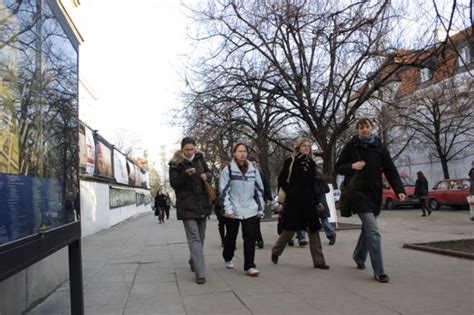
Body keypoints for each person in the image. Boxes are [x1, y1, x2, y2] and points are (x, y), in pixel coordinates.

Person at [335, 118, 406, 283]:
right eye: (361, 128)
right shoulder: (351, 147)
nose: (364, 130)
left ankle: (359, 256)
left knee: (368, 228)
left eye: (366, 127)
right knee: (373, 231)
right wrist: (352, 166)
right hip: (357, 194)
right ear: (357, 131)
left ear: (372, 128)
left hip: (374, 194)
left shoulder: (380, 147)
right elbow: (338, 167)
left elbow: (390, 170)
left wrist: (400, 190)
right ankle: (379, 271)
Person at [271, 138, 330, 270]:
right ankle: (276, 251)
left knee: (314, 229)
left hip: (309, 201)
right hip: (294, 202)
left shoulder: (312, 163)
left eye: (309, 146)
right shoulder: (291, 162)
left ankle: (319, 260)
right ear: (298, 147)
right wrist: (290, 191)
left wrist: (317, 202)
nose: (307, 148)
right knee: (290, 229)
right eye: (304, 146)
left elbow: (312, 185)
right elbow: (281, 179)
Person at [169, 137, 213, 285]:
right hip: (186, 206)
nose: (189, 152)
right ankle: (200, 274)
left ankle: (193, 259)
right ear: (182, 149)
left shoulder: (200, 159)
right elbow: (174, 184)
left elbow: (210, 174)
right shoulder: (175, 164)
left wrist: (207, 176)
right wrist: (186, 174)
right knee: (194, 238)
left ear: (195, 148)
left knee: (201, 237)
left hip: (202, 205)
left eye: (191, 149)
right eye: (186, 149)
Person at [219, 143, 264, 277]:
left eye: (244, 151)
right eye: (239, 151)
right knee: (231, 238)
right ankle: (228, 256)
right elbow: (223, 191)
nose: (243, 153)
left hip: (250, 209)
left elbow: (259, 190)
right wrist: (228, 210)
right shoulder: (228, 170)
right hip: (233, 209)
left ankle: (249, 266)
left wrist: (260, 209)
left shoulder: (253, 170)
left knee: (250, 237)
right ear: (234, 153)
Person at [248, 156, 272, 249]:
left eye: (255, 164)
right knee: (251, 223)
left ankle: (259, 240)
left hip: (258, 201)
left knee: (256, 222)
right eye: (252, 164)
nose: (254, 166)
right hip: (248, 202)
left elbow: (266, 186)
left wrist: (268, 198)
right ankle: (255, 239)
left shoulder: (260, 175)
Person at [314, 175, 337, 245]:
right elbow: (327, 190)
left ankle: (329, 233)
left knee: (313, 220)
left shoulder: (312, 181)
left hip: (316, 202)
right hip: (323, 201)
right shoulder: (322, 180)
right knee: (324, 219)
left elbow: (314, 192)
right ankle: (330, 233)